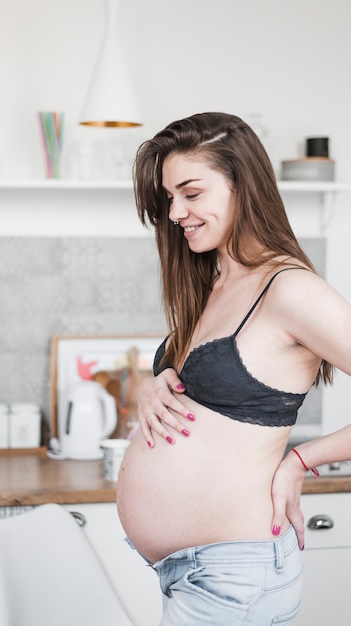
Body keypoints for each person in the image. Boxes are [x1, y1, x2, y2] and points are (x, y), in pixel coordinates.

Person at [116, 111, 351, 625]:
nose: (176, 211)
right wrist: (147, 386)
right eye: (169, 197)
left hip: (235, 576)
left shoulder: (289, 289)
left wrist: (303, 460)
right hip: (195, 572)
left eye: (191, 193)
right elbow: (198, 387)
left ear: (241, 185)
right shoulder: (215, 279)